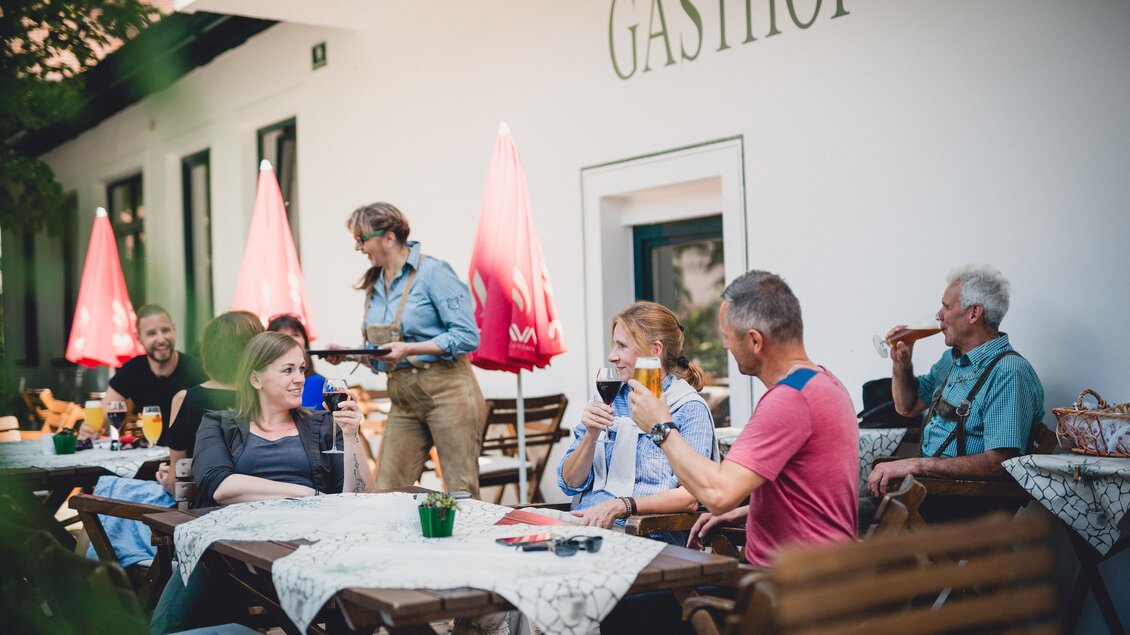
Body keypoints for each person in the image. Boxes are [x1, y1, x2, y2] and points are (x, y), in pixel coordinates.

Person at [628, 271, 859, 567]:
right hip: (827, 573)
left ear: (754, 341)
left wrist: (661, 427)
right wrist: (753, 510)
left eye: (727, 336)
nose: (725, 346)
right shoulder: (824, 382)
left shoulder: (789, 399)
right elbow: (815, 494)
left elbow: (718, 494)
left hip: (789, 590)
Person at [150, 331, 374, 633]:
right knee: (164, 625)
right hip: (231, 552)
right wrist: (306, 492)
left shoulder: (323, 424)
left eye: (301, 369)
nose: (299, 379)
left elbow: (358, 497)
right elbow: (220, 486)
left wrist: (351, 436)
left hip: (305, 549)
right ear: (256, 379)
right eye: (287, 370)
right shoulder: (218, 423)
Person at [326, 202, 486, 497]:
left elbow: (467, 336)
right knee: (386, 489)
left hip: (449, 394)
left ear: (388, 237)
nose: (359, 248)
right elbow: (384, 355)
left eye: (362, 238)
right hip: (403, 399)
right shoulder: (374, 283)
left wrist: (409, 348)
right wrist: (349, 353)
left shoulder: (433, 273)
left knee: (461, 493)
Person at [865, 264, 1045, 503]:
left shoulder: (1009, 373)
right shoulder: (952, 360)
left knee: (839, 522)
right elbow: (907, 407)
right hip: (926, 490)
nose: (939, 314)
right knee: (838, 510)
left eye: (947, 306)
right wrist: (901, 363)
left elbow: (999, 464)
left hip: (959, 502)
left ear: (974, 313)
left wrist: (918, 465)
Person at [555, 301, 715, 530]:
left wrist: (622, 506)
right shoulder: (608, 399)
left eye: (621, 346)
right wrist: (590, 435)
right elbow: (570, 483)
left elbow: (691, 497)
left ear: (654, 350)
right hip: (586, 522)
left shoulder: (687, 407)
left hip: (640, 531)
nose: (612, 356)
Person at [158, 311, 264, 494]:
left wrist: (165, 479)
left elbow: (176, 482)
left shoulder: (185, 399)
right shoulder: (267, 396)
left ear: (208, 351)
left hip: (202, 507)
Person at [100, 304, 207, 445]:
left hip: (191, 454)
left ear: (174, 330)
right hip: (151, 453)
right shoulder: (132, 369)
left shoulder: (196, 369)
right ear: (139, 338)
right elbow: (106, 415)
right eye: (152, 333)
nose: (161, 339)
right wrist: (89, 428)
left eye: (165, 330)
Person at [267, 313, 326, 410]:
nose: (290, 340)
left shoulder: (319, 384)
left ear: (305, 342)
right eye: (281, 336)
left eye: (295, 334)